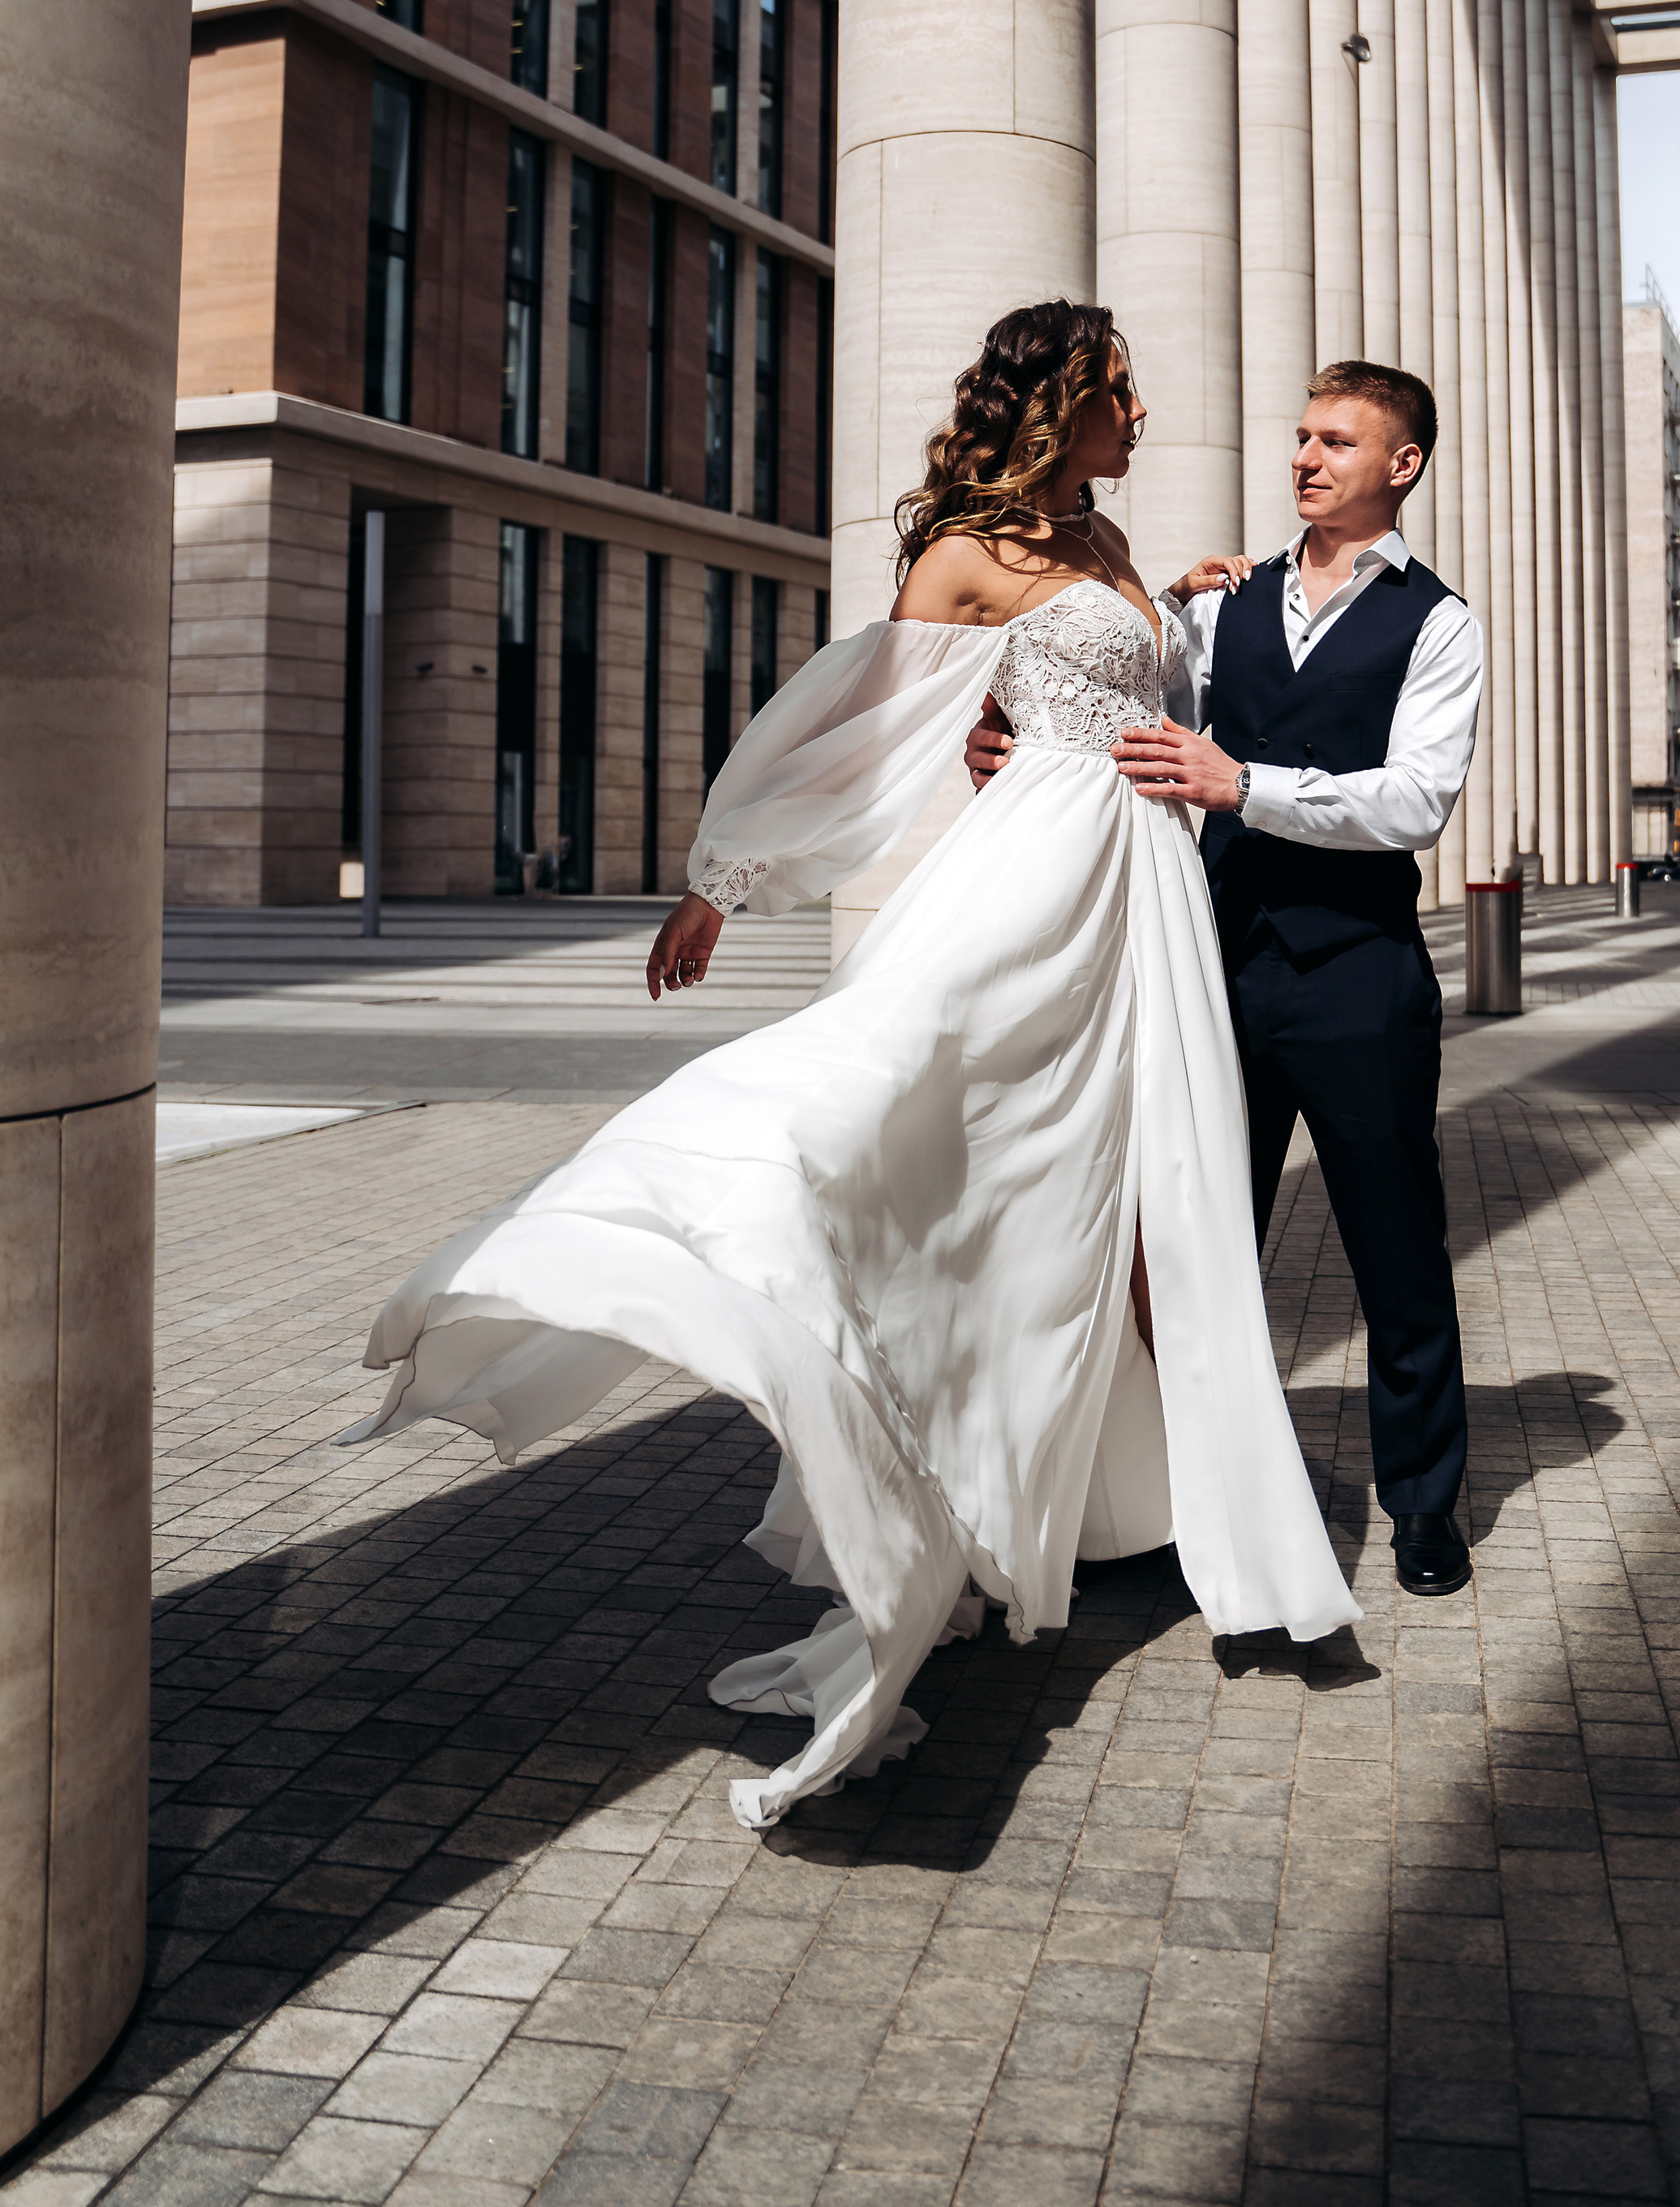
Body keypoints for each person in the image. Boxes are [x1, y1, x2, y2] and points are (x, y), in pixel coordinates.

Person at [344, 302, 1358, 1831]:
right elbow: (862, 734)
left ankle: (1128, 1510)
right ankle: (668, 1241)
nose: (1140, 416)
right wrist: (723, 884)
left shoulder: (1108, 541)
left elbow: (1142, 703)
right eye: (1120, 394)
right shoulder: (964, 552)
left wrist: (1185, 610)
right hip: (1035, 888)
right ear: (1059, 399)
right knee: (871, 1106)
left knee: (1144, 1202)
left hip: (1145, 895)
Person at [970, 361, 1483, 1597]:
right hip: (1212, 965)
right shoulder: (1217, 608)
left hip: (1362, 979)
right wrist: (1010, 748)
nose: (1304, 459)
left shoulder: (1441, 622)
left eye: (1337, 442)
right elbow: (1131, 731)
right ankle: (1176, 1507)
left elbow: (1416, 800)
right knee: (1193, 1250)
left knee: (1397, 1252)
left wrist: (1243, 786)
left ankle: (1425, 1507)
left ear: (1399, 467)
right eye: (1300, 437)